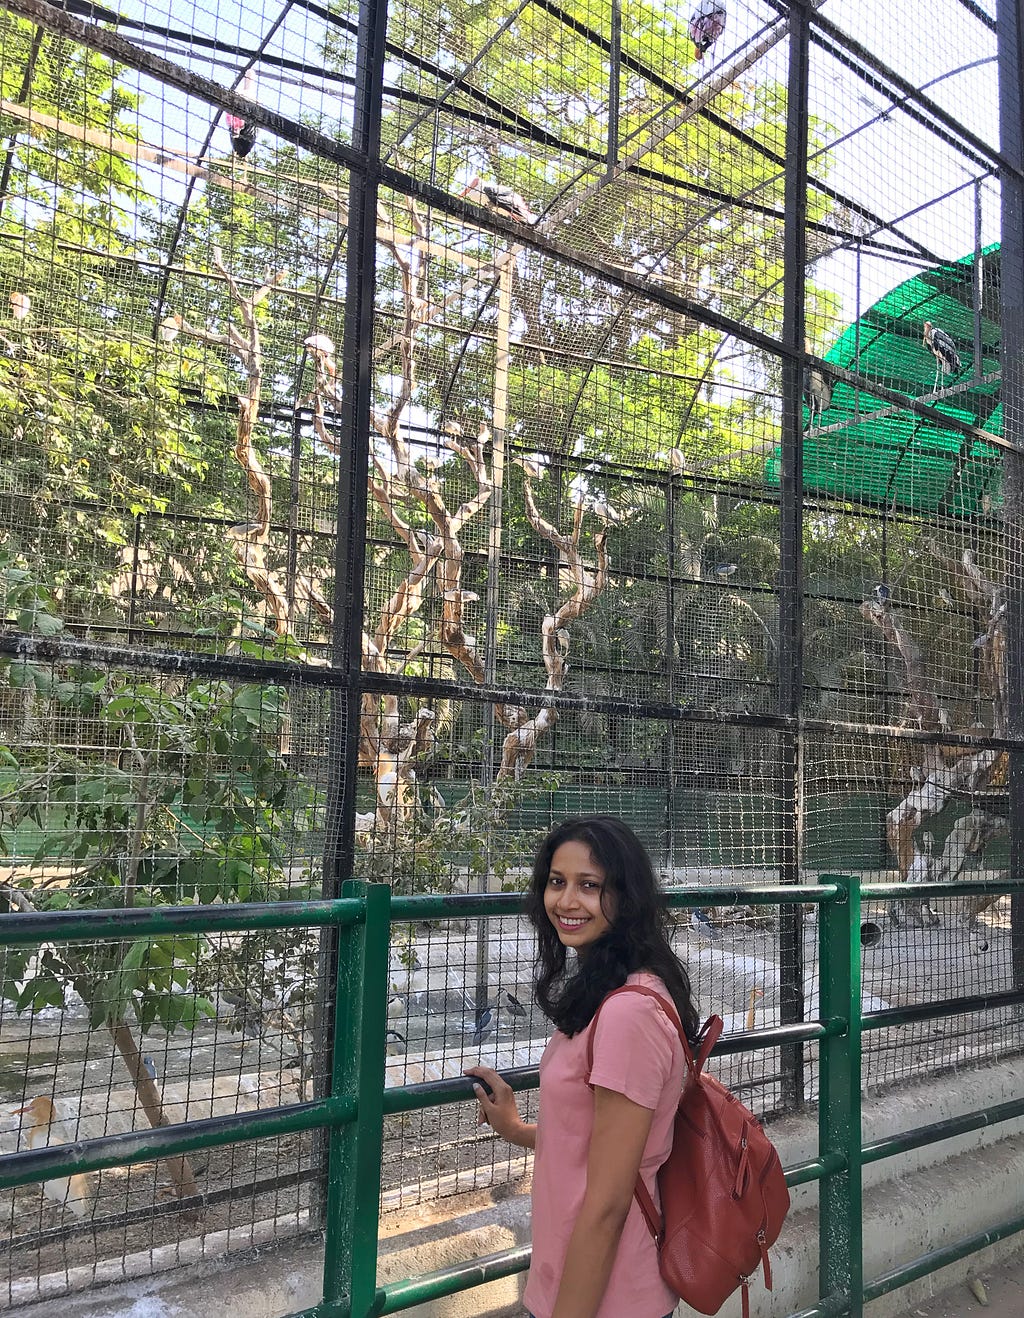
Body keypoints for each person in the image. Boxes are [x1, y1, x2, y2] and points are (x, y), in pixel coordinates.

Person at [466, 815, 698, 1318]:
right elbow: (599, 1140)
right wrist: (519, 1129)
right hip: (574, 1280)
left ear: (626, 896)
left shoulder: (628, 1015)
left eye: (589, 886)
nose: (567, 902)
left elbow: (608, 1205)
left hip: (604, 1297)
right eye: (557, 882)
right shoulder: (611, 986)